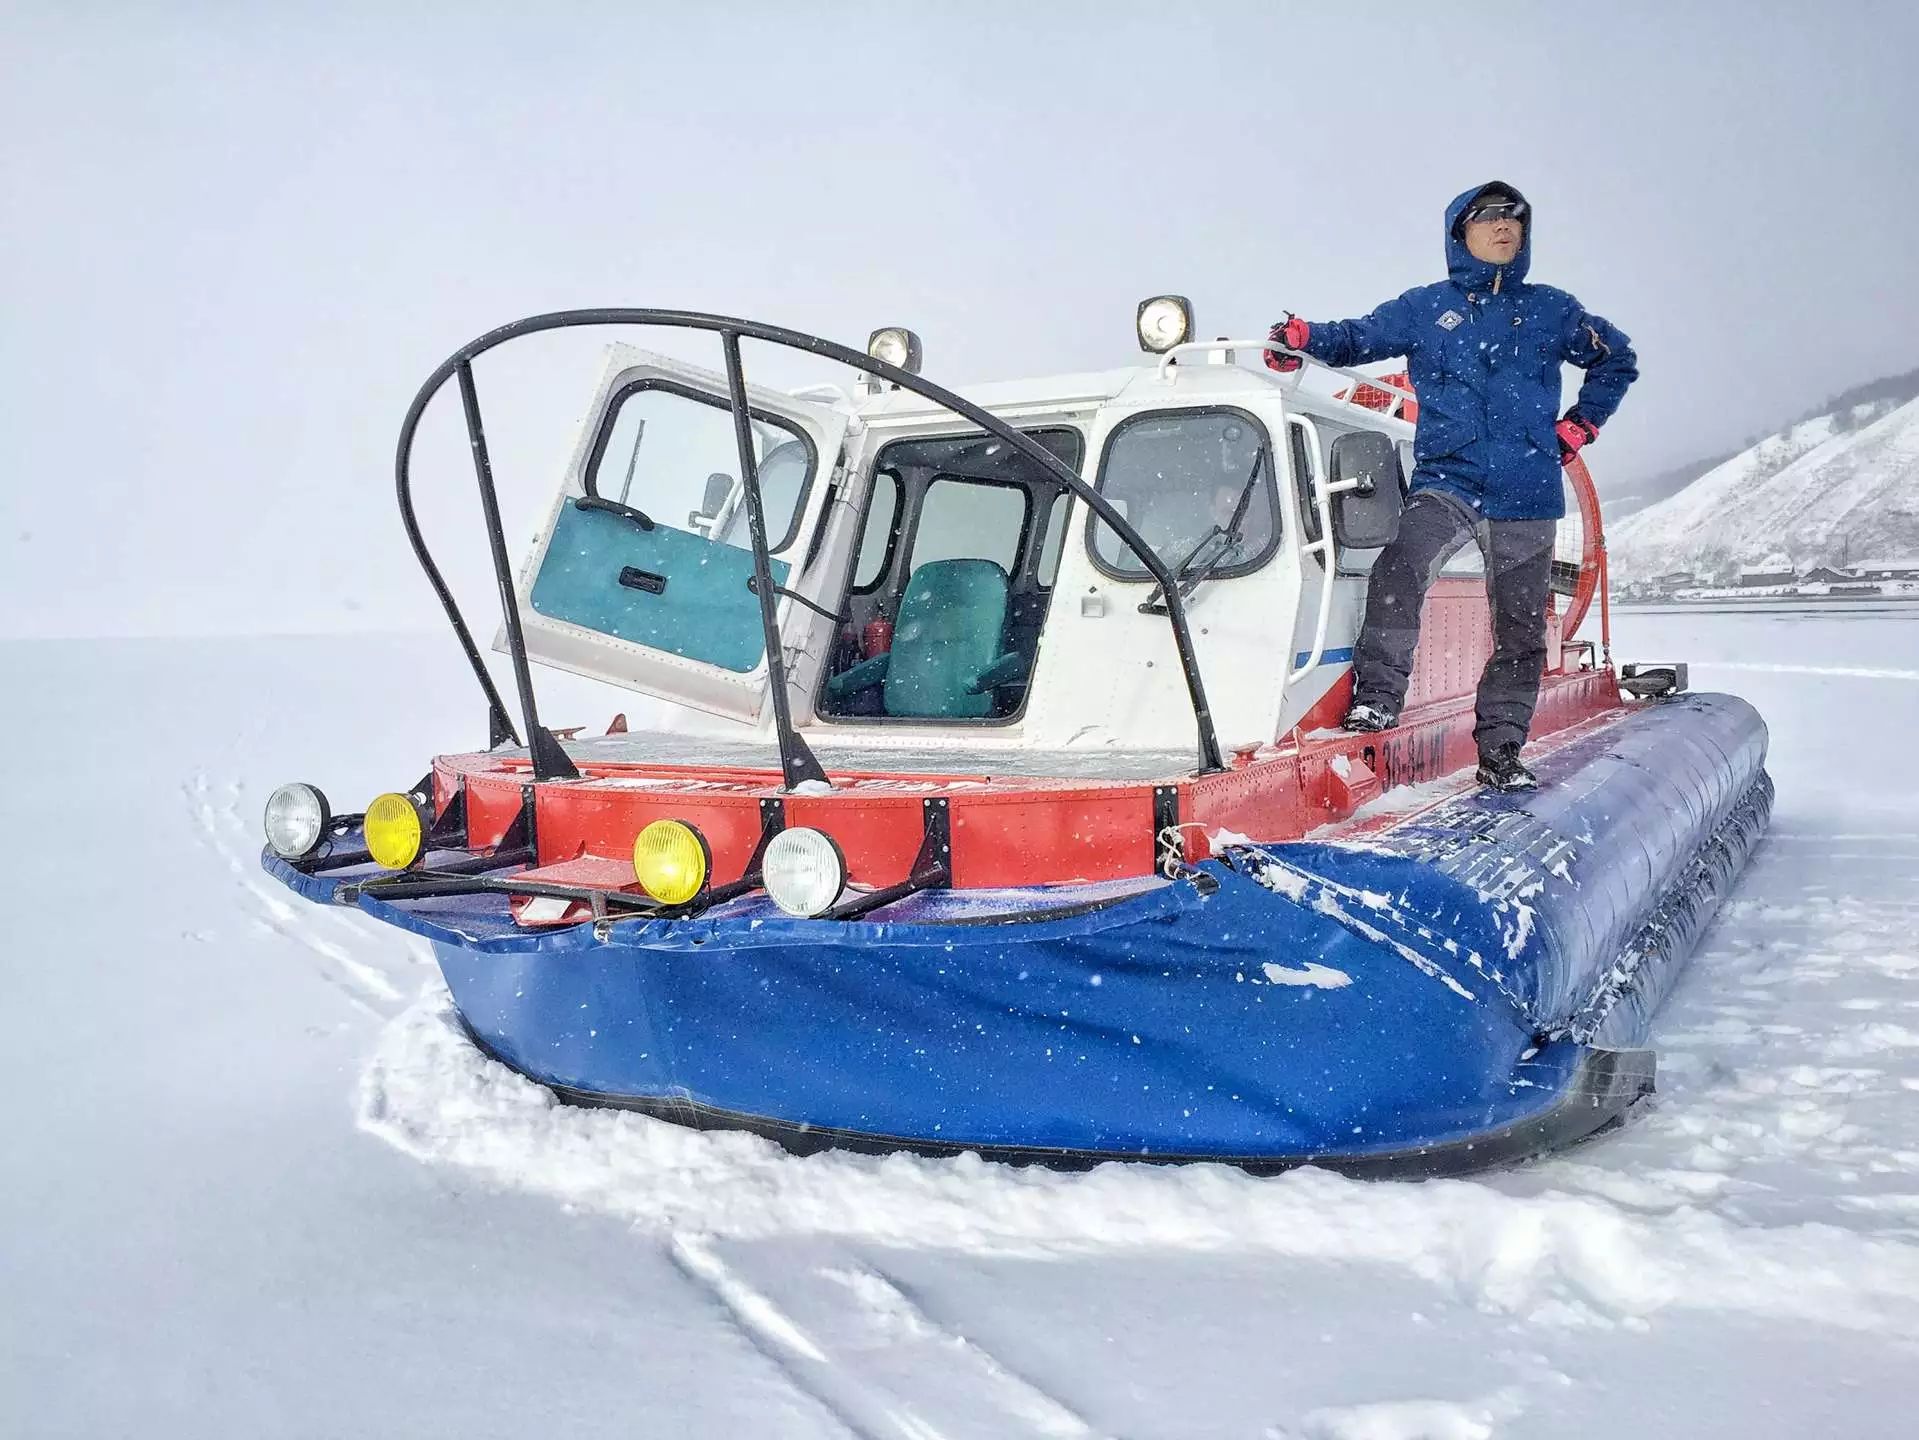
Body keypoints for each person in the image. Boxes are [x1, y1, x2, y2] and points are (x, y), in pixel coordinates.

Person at [1266, 180, 1637, 791]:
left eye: (1515, 220)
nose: (1504, 228)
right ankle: (1377, 700)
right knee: (1399, 566)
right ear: (1459, 233)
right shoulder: (1424, 308)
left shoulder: (1554, 309)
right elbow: (1358, 337)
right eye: (1489, 219)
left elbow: (1615, 360)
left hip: (1526, 489)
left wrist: (1579, 426)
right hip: (1450, 478)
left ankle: (1501, 751)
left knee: (1519, 626)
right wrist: (1302, 341)